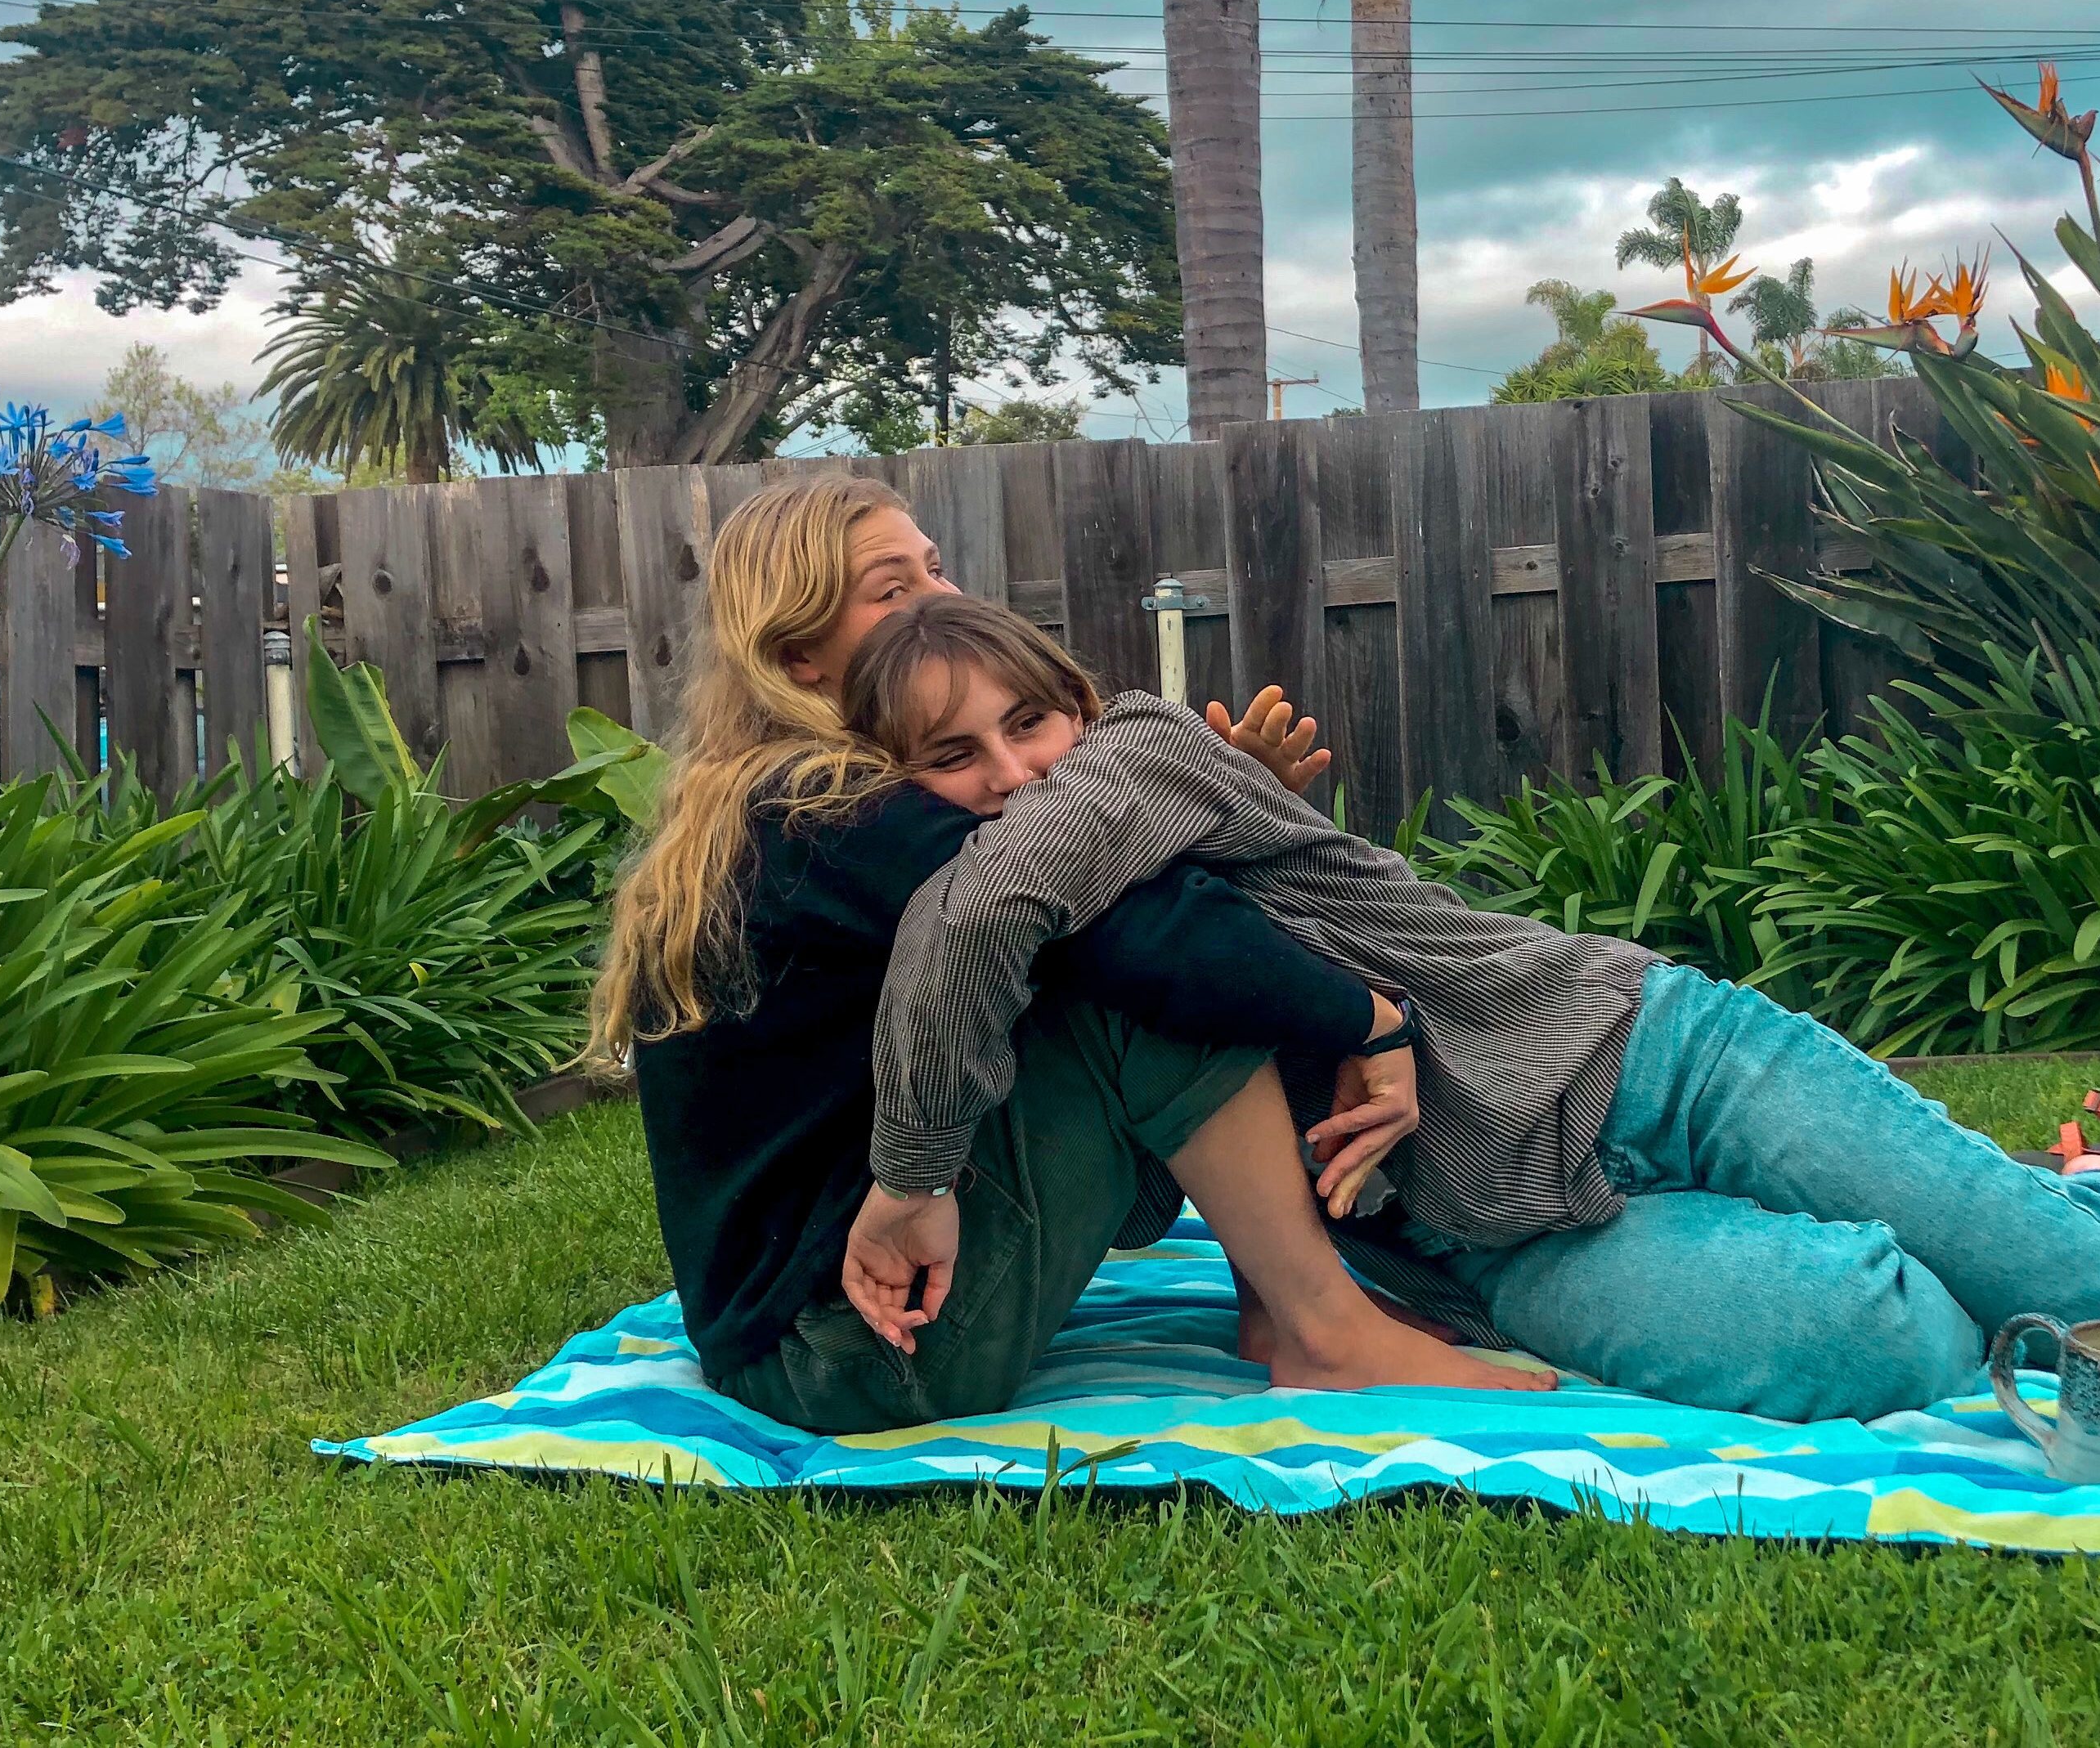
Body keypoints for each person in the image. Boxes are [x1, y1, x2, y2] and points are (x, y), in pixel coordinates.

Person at [846, 595, 2100, 1425]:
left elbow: (985, 899)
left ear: (1079, 707)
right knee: (1899, 1340)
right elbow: (1138, 1189)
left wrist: (906, 1179)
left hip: (1650, 1055)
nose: (1012, 773)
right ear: (899, 786)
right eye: (951, 757)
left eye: (1030, 722)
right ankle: (1944, 1217)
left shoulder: (1138, 748)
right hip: (1500, 1237)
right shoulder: (1025, 959)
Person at [587, 476, 1543, 1438]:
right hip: (851, 1351)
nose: (942, 602)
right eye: (893, 590)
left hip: (819, 1332)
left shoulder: (783, 798)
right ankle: (1325, 1331)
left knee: (1182, 931)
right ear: (798, 658)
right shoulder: (833, 807)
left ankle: (1289, 1305)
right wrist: (1374, 1018)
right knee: (1153, 963)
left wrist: (1215, 811)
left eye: (936, 568)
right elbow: (1144, 935)